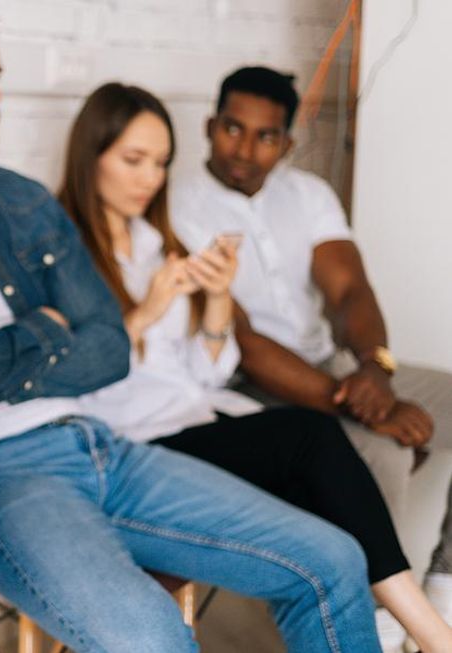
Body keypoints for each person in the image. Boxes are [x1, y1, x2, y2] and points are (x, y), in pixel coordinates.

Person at [0, 2, 382, 651]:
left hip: (95, 443)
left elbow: (108, 350)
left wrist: (15, 354)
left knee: (330, 560)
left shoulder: (22, 200)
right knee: (152, 636)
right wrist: (50, 331)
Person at [63, 81, 452, 653]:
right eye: (134, 161)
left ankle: (423, 611)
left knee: (324, 499)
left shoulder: (155, 240)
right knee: (314, 439)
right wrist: (144, 313)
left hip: (201, 414)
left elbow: (204, 375)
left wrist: (216, 302)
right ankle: (419, 629)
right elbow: (71, 379)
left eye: (160, 163)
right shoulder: (61, 250)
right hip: (132, 442)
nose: (150, 178)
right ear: (90, 157)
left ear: (287, 143)